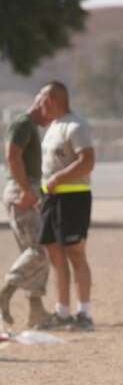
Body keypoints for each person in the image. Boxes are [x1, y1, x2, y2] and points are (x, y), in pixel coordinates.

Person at [35, 81, 95, 331]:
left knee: (75, 254)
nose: (38, 106)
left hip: (73, 198)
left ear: (50, 100)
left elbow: (87, 162)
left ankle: (84, 314)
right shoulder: (52, 127)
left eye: (40, 101)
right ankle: (62, 312)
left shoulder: (76, 125)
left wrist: (58, 179)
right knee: (53, 253)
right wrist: (44, 192)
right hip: (51, 199)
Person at [0, 98, 51, 329]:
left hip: (27, 189)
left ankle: (36, 311)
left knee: (32, 252)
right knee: (38, 250)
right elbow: (12, 155)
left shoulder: (28, 125)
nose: (51, 120)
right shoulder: (23, 123)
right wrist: (25, 190)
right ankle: (5, 292)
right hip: (22, 190)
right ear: (44, 103)